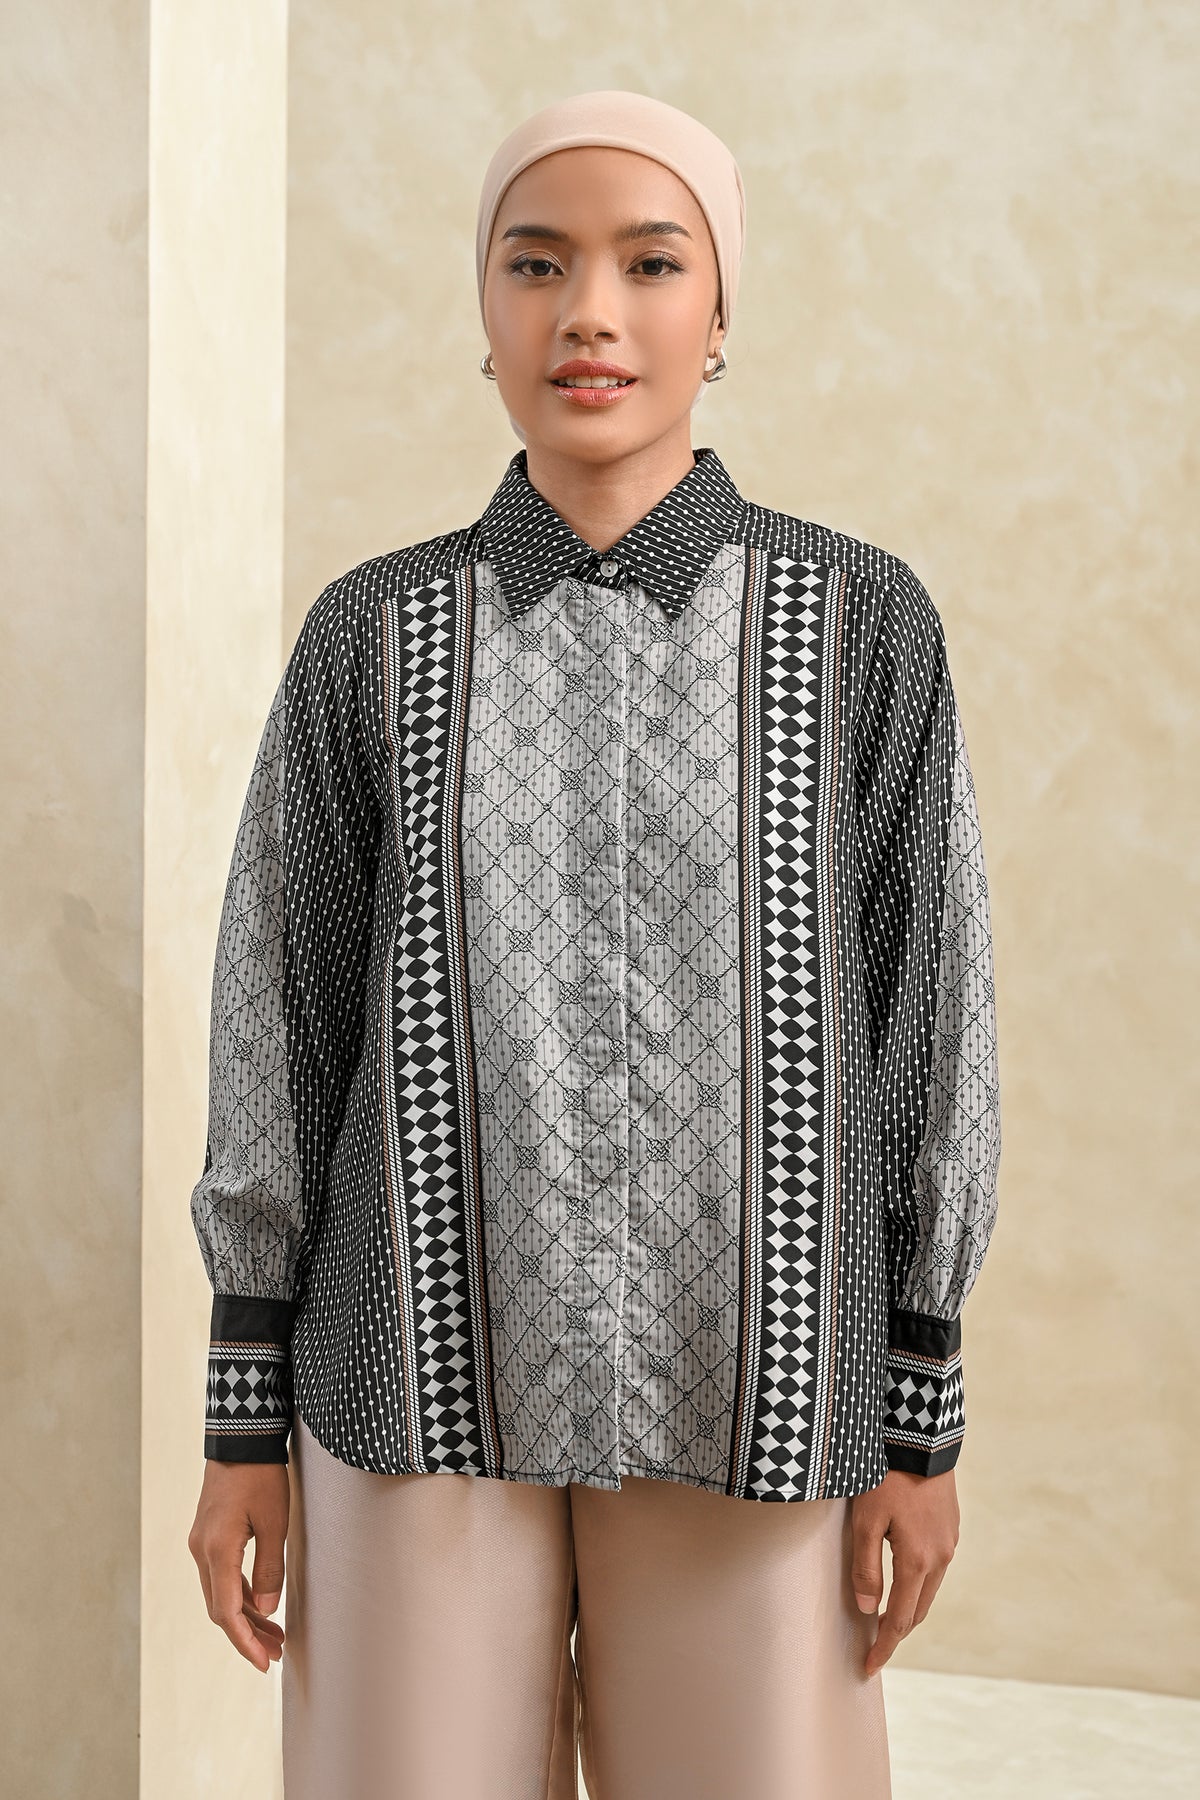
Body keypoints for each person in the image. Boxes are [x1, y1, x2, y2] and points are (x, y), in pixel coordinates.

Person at [187, 88, 1001, 1799]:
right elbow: (279, 1022)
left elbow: (928, 1025)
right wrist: (241, 1425)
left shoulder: (861, 626)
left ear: (723, 309)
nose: (591, 315)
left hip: (759, 1377)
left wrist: (920, 1418)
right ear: (484, 307)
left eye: (652, 262)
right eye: (537, 263)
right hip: (410, 1379)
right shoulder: (372, 637)